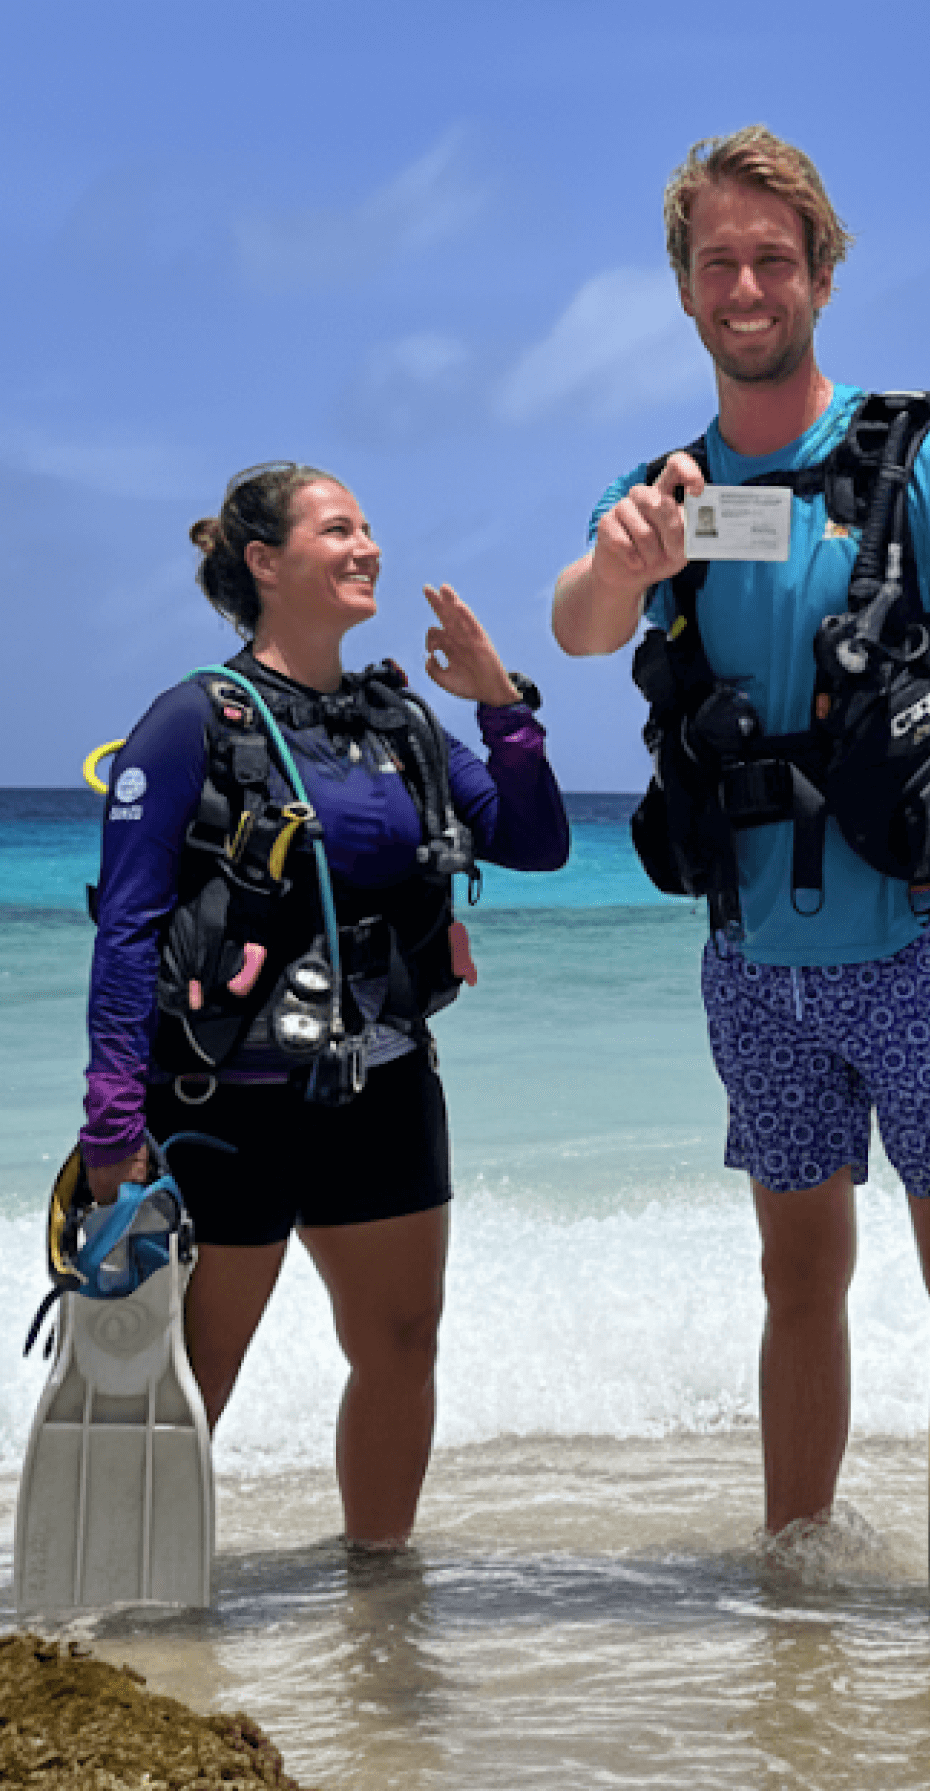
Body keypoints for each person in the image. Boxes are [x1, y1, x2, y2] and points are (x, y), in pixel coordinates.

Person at [552, 128, 930, 1536]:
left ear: (824, 275)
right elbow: (583, 624)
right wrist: (618, 564)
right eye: (718, 261)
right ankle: (794, 1568)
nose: (746, 285)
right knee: (796, 1282)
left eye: (773, 260)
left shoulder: (923, 467)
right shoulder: (669, 496)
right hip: (757, 971)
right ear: (681, 287)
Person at [81, 461, 569, 1546]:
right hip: (229, 1103)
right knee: (191, 1375)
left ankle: (378, 1598)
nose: (369, 547)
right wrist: (112, 1119)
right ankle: (122, 1601)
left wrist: (498, 702)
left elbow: (536, 839)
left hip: (384, 1090)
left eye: (368, 527)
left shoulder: (398, 720)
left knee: (401, 1347)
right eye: (339, 529)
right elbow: (125, 928)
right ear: (266, 562)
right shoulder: (191, 722)